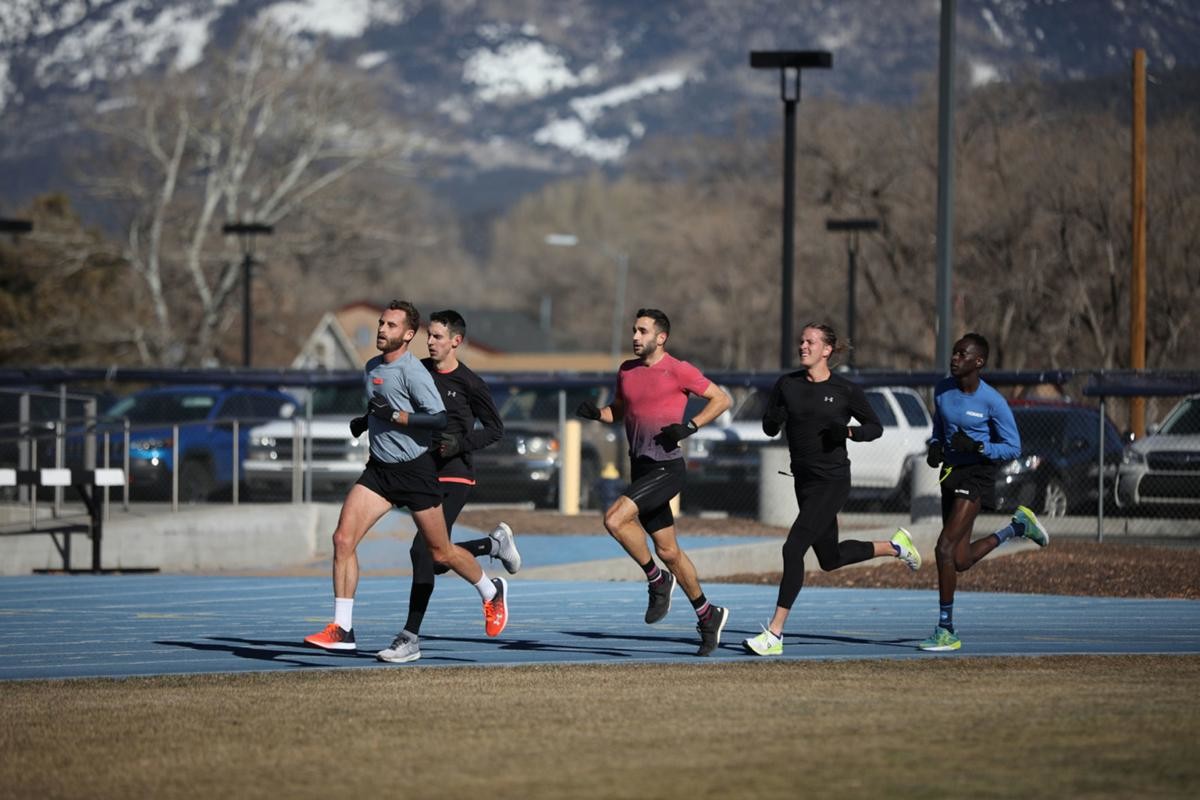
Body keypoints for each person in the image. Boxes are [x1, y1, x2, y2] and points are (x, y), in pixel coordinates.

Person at [304, 300, 509, 653]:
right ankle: (342, 629)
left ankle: (491, 591)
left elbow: (438, 417)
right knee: (342, 540)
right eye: (381, 323)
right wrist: (366, 421)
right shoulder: (371, 367)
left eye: (391, 326)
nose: (382, 329)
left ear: (408, 334)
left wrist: (397, 418)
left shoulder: (416, 372)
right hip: (379, 471)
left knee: (439, 554)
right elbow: (381, 405)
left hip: (415, 471)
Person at [742, 323, 923, 657]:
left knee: (793, 548)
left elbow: (875, 427)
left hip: (833, 482)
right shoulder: (787, 384)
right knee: (830, 558)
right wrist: (774, 418)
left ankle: (775, 634)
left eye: (810, 342)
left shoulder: (845, 389)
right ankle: (895, 546)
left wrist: (849, 433)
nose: (803, 346)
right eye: (801, 341)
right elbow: (769, 428)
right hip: (804, 481)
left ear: (827, 350)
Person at [576, 308, 732, 656]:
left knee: (614, 519)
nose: (635, 336)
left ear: (661, 338)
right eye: (634, 330)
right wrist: (597, 414)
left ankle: (657, 579)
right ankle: (708, 615)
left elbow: (722, 399)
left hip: (667, 468)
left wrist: (689, 427)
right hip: (641, 469)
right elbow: (619, 410)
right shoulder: (626, 371)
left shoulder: (678, 369)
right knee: (669, 551)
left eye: (643, 331)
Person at [376, 309, 521, 664]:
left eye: (438, 336)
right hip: (421, 470)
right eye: (429, 335)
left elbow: (495, 429)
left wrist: (460, 444)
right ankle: (492, 544)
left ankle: (410, 637)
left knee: (422, 552)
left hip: (455, 473)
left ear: (456, 341)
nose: (431, 341)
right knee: (438, 559)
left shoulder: (471, 383)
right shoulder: (417, 371)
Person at [918, 332, 1049, 652]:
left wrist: (979, 447)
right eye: (954, 352)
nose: (954, 358)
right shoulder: (942, 389)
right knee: (960, 560)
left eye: (962, 354)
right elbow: (939, 427)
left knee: (944, 548)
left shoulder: (993, 401)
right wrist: (935, 445)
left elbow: (1012, 448)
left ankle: (946, 629)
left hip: (977, 472)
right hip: (951, 472)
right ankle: (1017, 528)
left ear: (979, 362)